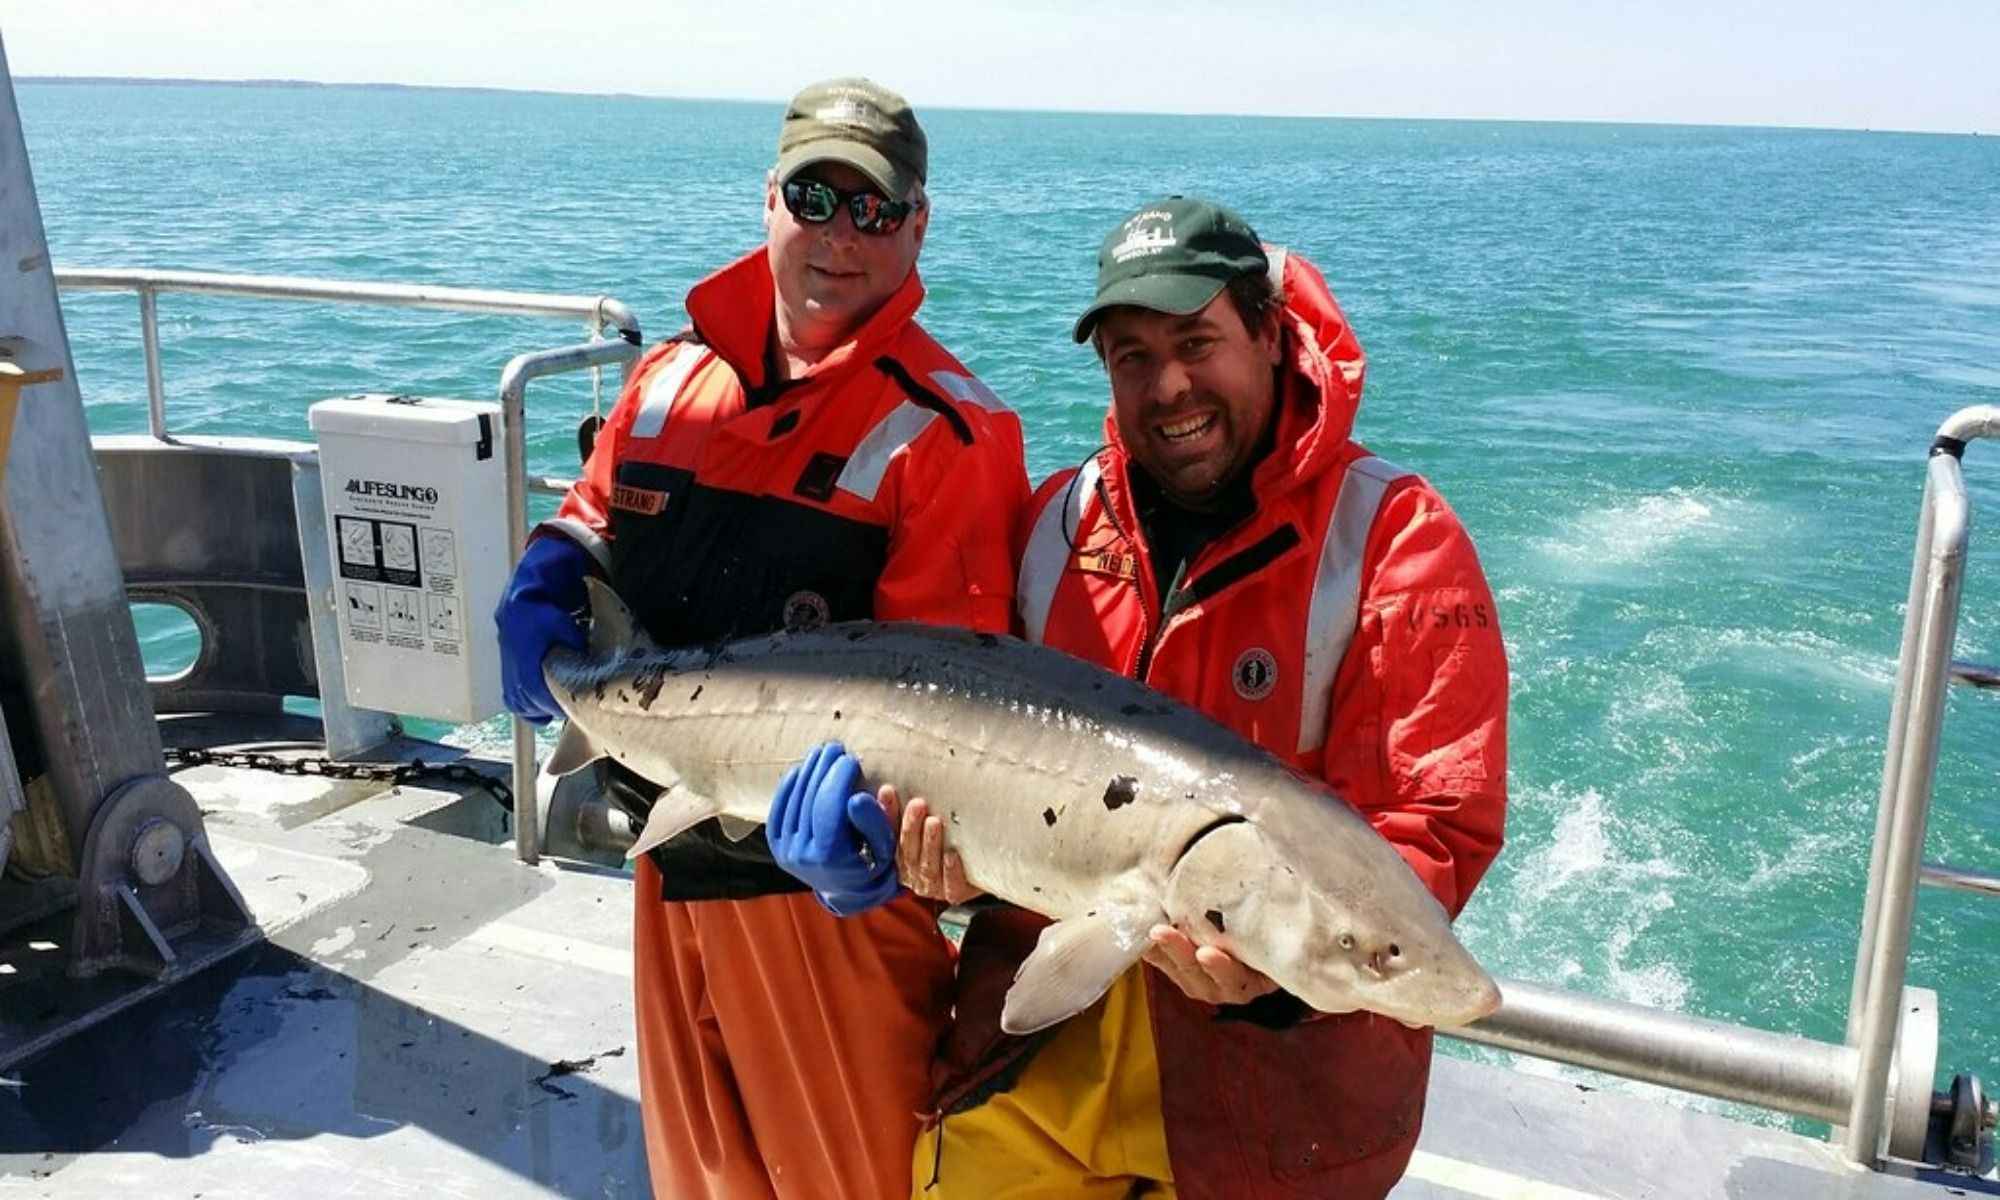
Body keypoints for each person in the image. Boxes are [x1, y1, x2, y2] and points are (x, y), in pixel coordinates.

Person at [875, 197, 1510, 1198]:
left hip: (1272, 1107)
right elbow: (948, 756)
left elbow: (1434, 825)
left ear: (1266, 333)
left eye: (1195, 342)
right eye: (1131, 356)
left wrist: (1274, 991)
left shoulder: (1392, 541)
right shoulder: (1051, 524)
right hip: (1032, 1051)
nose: (1168, 385)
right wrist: (938, 869)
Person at [492, 77, 1029, 1200]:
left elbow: (957, 711)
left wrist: (877, 851)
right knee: (698, 1183)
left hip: (825, 915)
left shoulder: (950, 434)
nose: (840, 234)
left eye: (873, 209)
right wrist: (551, 565)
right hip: (664, 856)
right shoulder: (665, 377)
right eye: (814, 196)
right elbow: (594, 512)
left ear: (917, 225)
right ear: (768, 203)